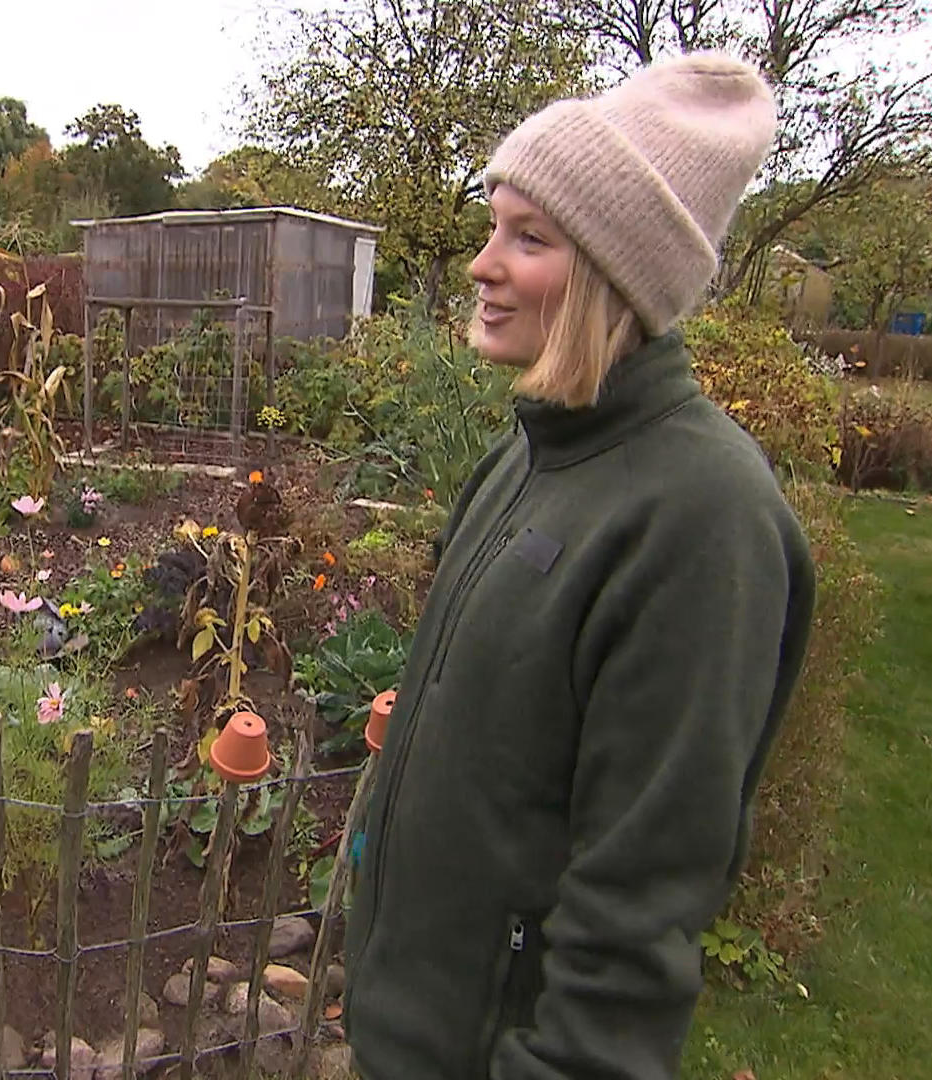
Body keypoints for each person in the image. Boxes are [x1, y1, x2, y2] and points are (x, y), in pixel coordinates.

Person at [342, 51, 817, 1080]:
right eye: (492, 227)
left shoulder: (702, 519)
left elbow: (638, 905)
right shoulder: (528, 456)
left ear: (612, 270)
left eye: (529, 238)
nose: (482, 265)